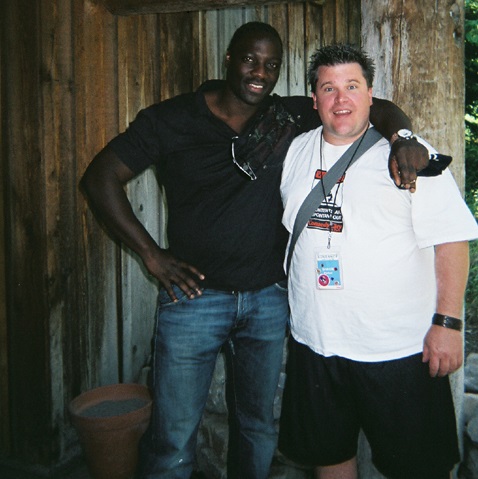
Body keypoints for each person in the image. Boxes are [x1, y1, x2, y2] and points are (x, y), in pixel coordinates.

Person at [80, 22, 429, 479]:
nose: (259, 72)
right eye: (249, 59)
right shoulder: (170, 119)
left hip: (267, 299)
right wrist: (151, 254)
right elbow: (99, 178)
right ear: (229, 59)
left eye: (271, 65)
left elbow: (375, 108)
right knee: (173, 436)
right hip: (193, 302)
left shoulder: (287, 115)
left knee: (257, 427)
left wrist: (403, 138)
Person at [278, 43, 478, 479]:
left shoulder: (410, 157)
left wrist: (447, 324)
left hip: (399, 349)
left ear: (372, 96)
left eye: (352, 86)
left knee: (418, 467)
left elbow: (452, 240)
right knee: (329, 455)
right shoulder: (295, 152)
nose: (340, 99)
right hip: (317, 343)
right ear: (314, 100)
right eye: (328, 88)